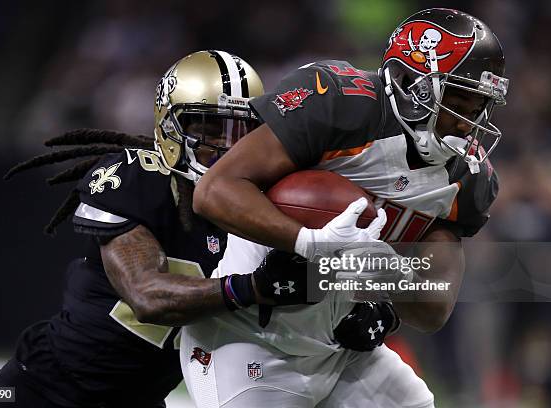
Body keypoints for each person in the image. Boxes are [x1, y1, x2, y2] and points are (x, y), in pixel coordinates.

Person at [183, 8, 509, 407]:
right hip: (248, 334)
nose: (468, 122)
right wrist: (310, 242)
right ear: (412, 84)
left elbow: (433, 307)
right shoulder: (339, 103)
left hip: (340, 346)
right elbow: (214, 191)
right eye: (460, 98)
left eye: (479, 106)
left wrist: (385, 284)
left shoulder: (466, 175)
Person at [0, 50, 322, 408]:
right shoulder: (138, 178)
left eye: (239, 131)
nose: (226, 146)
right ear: (170, 127)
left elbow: (323, 269)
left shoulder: (265, 202)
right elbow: (147, 297)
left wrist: (360, 308)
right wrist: (252, 287)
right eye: (209, 128)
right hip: (45, 389)